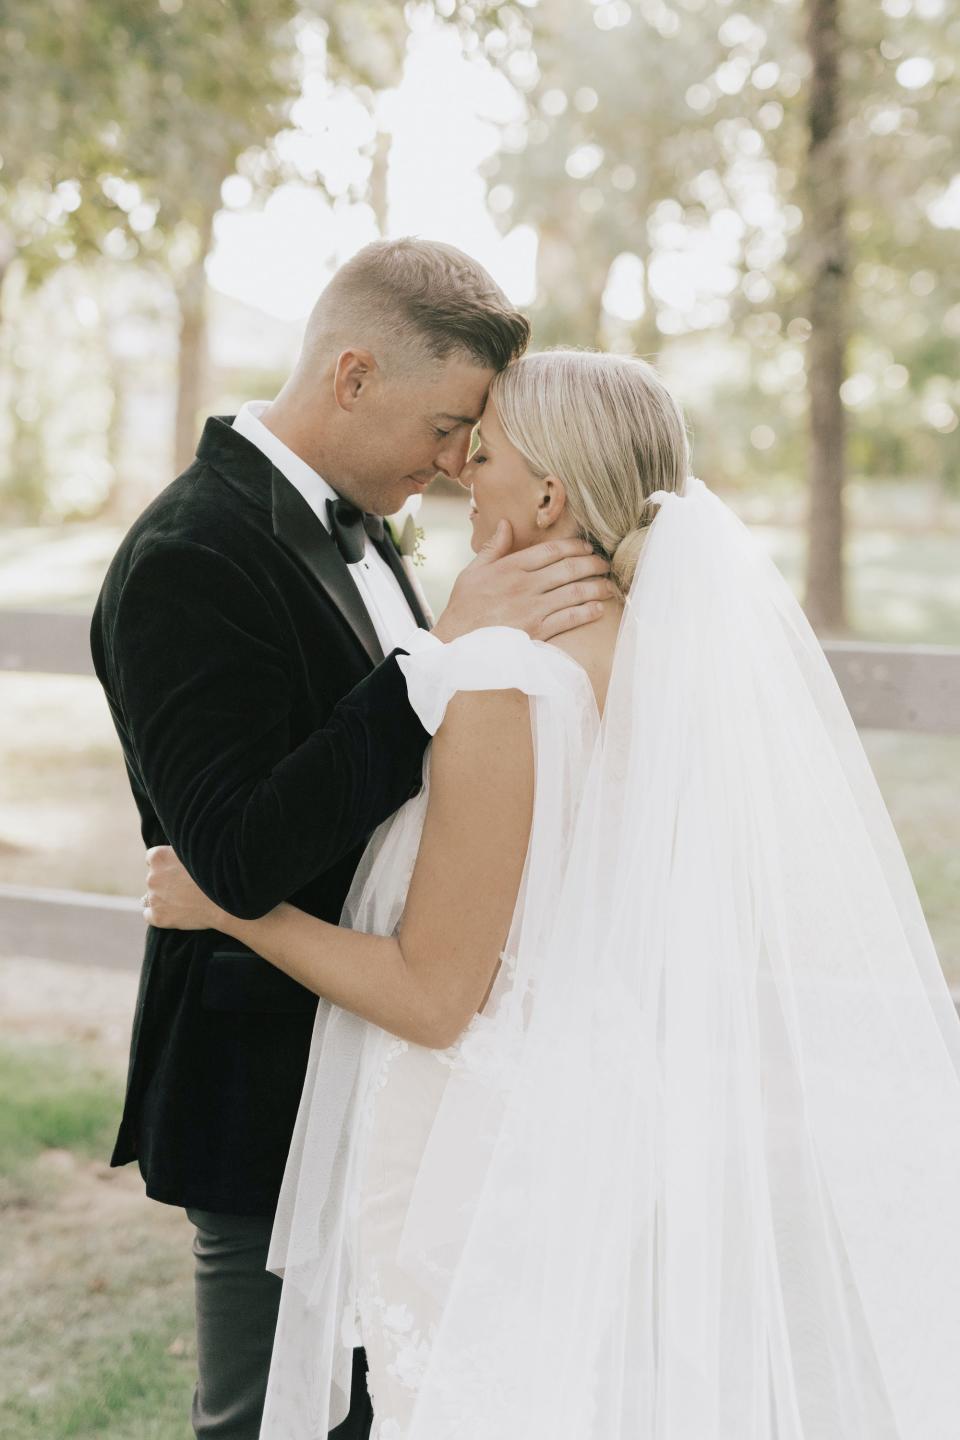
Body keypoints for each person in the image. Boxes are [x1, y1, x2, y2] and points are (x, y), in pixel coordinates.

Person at [145, 348, 960, 1439]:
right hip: (604, 1112)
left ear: (547, 494)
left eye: (483, 454)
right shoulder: (671, 665)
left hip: (470, 1150)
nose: (456, 477)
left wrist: (234, 905)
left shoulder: (506, 678)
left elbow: (436, 998)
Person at [90, 244, 616, 1440]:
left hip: (398, 1072)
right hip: (262, 1087)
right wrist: (433, 664)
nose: (452, 464)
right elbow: (230, 853)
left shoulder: (365, 528)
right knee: (266, 1421)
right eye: (445, 426)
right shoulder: (189, 558)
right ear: (353, 375)